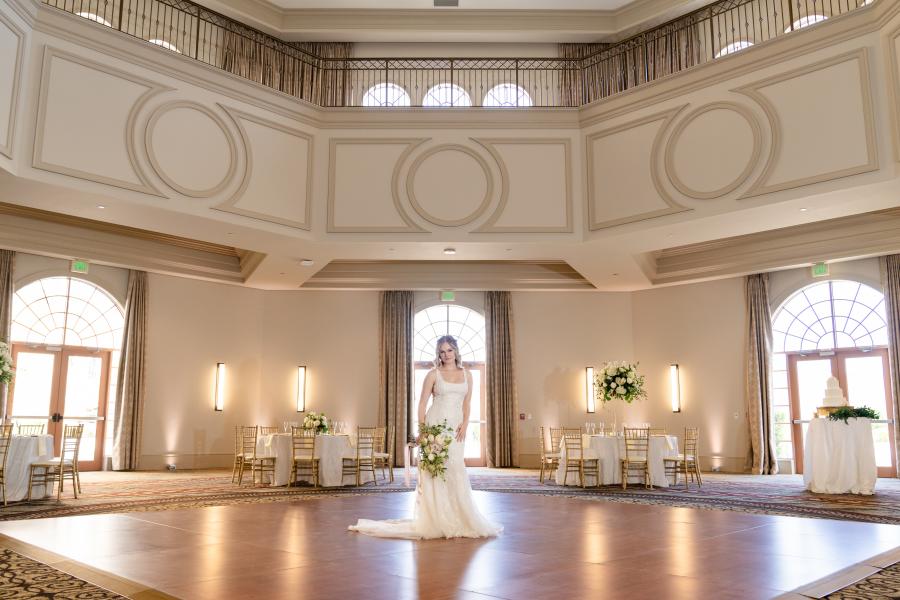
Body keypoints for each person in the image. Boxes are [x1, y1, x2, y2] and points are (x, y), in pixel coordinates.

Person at [348, 335, 502, 539]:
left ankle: (458, 516)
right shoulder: (433, 374)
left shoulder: (467, 375)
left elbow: (467, 403)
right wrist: (424, 430)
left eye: (449, 350)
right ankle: (436, 519)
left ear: (456, 351)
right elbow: (421, 404)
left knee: (455, 467)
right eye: (442, 351)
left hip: (456, 429)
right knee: (434, 471)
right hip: (435, 425)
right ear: (438, 354)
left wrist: (465, 424)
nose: (446, 355)